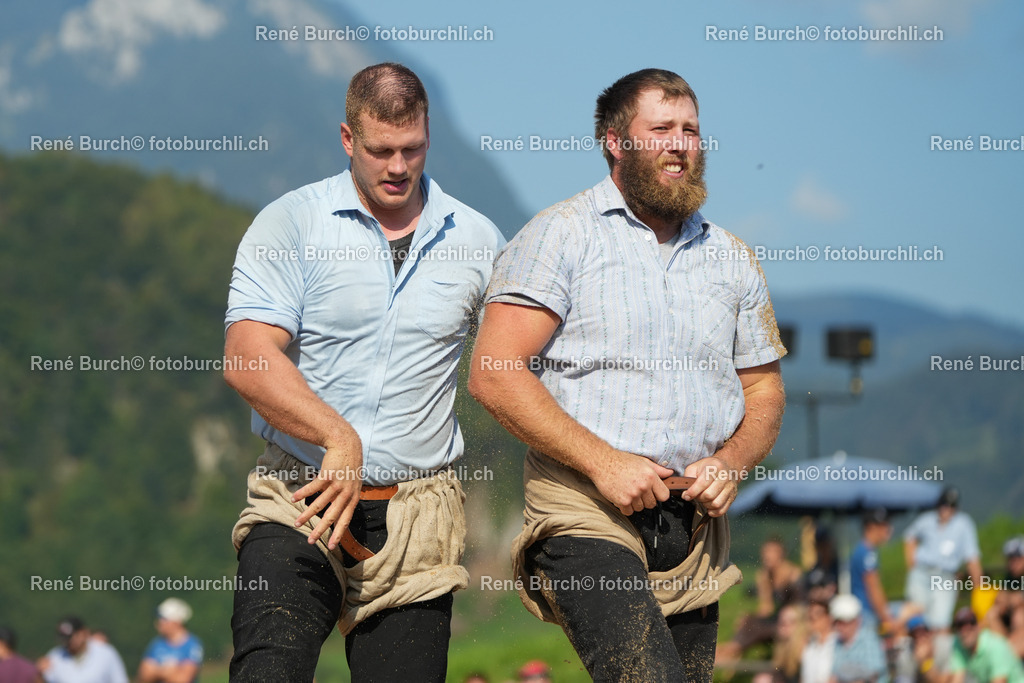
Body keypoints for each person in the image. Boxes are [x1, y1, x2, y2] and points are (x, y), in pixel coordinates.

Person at [469, 67, 787, 682]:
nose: (680, 143)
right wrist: (603, 462)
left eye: (691, 130)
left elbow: (765, 391)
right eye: (661, 128)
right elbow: (495, 372)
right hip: (583, 509)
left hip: (691, 528)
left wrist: (732, 463)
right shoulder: (559, 235)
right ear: (615, 142)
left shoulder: (733, 258)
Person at [224, 62, 504, 682]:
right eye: (381, 150)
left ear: (429, 137)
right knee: (268, 669)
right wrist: (336, 437)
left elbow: (517, 370)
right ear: (348, 139)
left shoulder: (480, 241)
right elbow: (247, 355)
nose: (398, 167)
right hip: (300, 495)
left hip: (417, 517)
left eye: (413, 149)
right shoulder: (291, 223)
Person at [903, 486, 982, 632]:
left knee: (941, 622)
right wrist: (912, 567)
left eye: (951, 506)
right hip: (921, 572)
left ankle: (940, 654)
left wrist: (979, 588)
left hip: (945, 576)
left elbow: (972, 558)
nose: (946, 509)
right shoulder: (927, 520)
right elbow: (909, 538)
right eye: (944, 505)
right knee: (915, 617)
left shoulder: (964, 524)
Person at [37, 617, 128, 683]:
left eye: (71, 637)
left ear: (84, 633)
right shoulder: (54, 656)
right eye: (64, 638)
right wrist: (40, 674)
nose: (68, 642)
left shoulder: (106, 653)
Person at [949, 606, 1024, 683]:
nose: (965, 630)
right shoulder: (958, 644)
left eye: (971, 622)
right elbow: (957, 677)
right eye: (960, 624)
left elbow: (1000, 681)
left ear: (979, 626)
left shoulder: (996, 646)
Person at [137, 598, 203, 683]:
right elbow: (143, 676)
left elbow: (184, 679)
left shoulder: (193, 644)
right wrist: (168, 672)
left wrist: (156, 671)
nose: (159, 622)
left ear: (176, 621)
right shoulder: (156, 644)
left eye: (163, 618)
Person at [851, 508, 894, 632]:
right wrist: (887, 618)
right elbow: (873, 589)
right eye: (883, 525)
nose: (887, 529)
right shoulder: (867, 553)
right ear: (871, 527)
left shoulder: (861, 550)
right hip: (867, 615)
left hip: (863, 614)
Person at [828, 595, 887, 683]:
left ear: (857, 620)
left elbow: (874, 673)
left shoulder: (869, 639)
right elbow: (834, 674)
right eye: (838, 622)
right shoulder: (837, 642)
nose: (841, 627)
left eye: (845, 623)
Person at [802, 600, 838, 683]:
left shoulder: (838, 642)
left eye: (817, 614)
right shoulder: (809, 645)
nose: (813, 619)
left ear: (829, 618)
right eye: (810, 617)